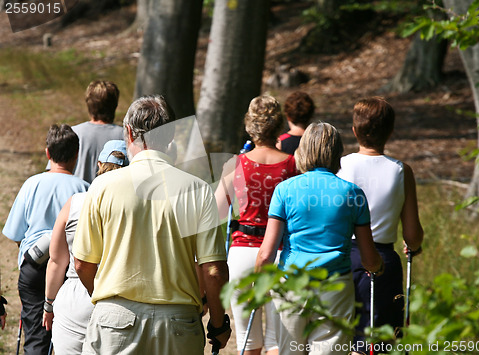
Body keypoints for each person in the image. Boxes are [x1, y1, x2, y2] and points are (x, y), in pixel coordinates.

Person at [72, 95, 231, 354]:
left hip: (115, 320)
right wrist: (217, 323)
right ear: (170, 137)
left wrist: (105, 299)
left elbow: (82, 263)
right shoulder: (199, 190)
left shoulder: (102, 186)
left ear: (128, 132)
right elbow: (213, 270)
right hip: (178, 324)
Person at [256, 122, 384, 355]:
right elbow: (369, 258)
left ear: (303, 150)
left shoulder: (285, 190)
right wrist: (379, 267)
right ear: (337, 152)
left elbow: (266, 253)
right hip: (335, 289)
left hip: (292, 286)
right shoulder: (353, 193)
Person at [337, 97, 424, 355]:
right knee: (379, 343)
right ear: (390, 132)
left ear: (354, 131)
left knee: (342, 338)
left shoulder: (340, 166)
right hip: (383, 259)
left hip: (344, 257)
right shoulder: (401, 171)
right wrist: (414, 245)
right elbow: (412, 235)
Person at [215, 95, 298, 355]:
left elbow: (216, 212)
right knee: (276, 340)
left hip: (242, 251)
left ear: (250, 125)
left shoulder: (236, 164)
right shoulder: (292, 165)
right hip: (280, 253)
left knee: (247, 341)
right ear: (279, 125)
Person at [2, 124, 89, 355]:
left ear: (48, 153)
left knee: (35, 332)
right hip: (69, 270)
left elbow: (15, 234)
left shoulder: (32, 184)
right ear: (77, 155)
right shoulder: (85, 190)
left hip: (34, 266)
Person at [42, 140, 129, 354]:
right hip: (118, 299)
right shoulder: (137, 207)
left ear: (99, 164)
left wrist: (49, 305)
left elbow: (56, 261)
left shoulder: (75, 202)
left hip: (75, 299)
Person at [47, 80, 123, 183]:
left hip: (76, 196)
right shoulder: (126, 137)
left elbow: (55, 171)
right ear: (115, 105)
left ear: (89, 104)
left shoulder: (71, 134)